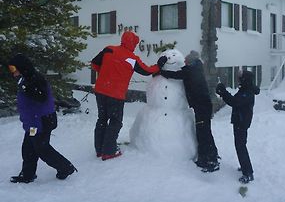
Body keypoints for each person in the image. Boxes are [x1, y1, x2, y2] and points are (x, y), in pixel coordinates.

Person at [91, 31, 167, 161]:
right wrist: (159, 66)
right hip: (115, 94)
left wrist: (105, 75)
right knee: (115, 121)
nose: (135, 46)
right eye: (135, 44)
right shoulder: (132, 58)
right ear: (132, 43)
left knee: (102, 119)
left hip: (100, 91)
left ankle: (99, 149)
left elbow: (94, 64)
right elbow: (146, 71)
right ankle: (109, 151)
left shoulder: (108, 49)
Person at [8, 54, 77, 183]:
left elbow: (42, 97)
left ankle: (66, 168)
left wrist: (26, 88)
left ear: (22, 67)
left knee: (42, 149)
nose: (12, 72)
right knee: (28, 148)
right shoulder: (25, 79)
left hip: (41, 121)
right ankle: (28, 175)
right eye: (11, 69)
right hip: (33, 122)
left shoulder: (35, 79)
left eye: (13, 68)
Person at [157, 50, 220, 172]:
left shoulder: (190, 70)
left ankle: (208, 161)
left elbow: (175, 75)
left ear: (190, 61)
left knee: (203, 133)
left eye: (185, 61)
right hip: (204, 105)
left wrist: (160, 72)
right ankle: (211, 155)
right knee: (206, 131)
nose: (183, 63)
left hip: (201, 106)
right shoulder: (197, 68)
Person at [216, 70, 260, 184]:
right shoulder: (245, 89)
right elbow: (234, 101)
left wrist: (223, 92)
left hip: (241, 123)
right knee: (240, 146)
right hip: (240, 122)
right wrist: (223, 93)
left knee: (241, 146)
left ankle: (248, 173)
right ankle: (245, 167)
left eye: (240, 78)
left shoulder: (247, 92)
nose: (238, 79)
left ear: (244, 79)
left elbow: (235, 102)